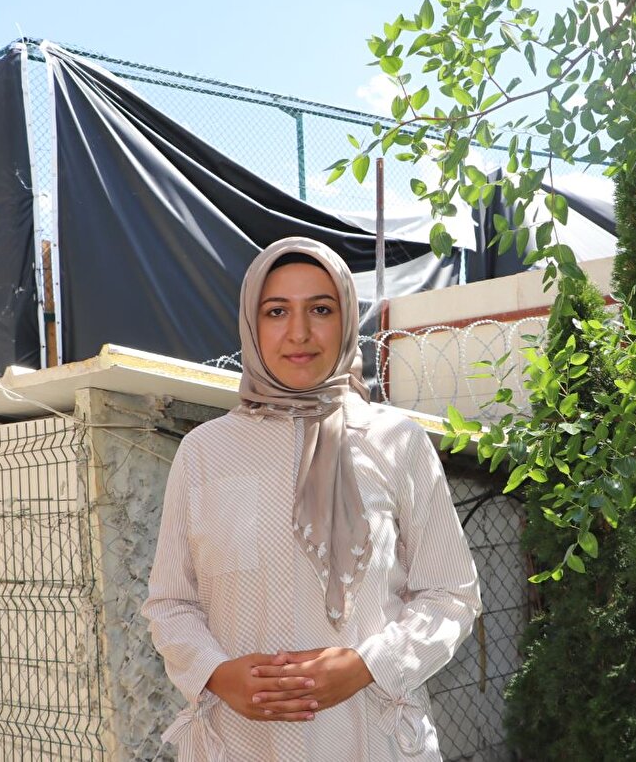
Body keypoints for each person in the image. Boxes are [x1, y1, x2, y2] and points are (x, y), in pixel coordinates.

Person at [142, 236, 482, 760]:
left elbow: (451, 593)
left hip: (371, 737)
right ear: (252, 325)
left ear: (346, 320)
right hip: (243, 742)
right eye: (276, 311)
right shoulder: (204, 452)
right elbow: (171, 603)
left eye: (321, 309)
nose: (299, 332)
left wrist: (368, 666)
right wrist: (217, 673)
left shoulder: (397, 442)